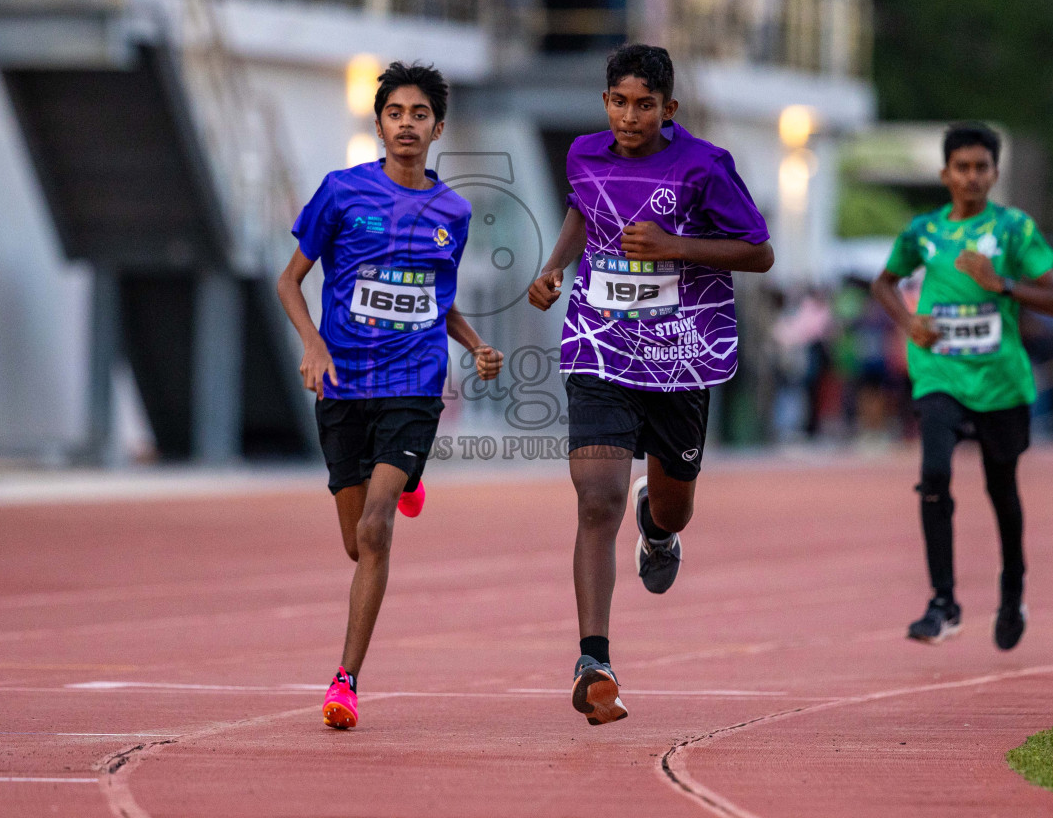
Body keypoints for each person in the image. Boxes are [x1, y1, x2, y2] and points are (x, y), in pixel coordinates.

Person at [527, 44, 773, 724]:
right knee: (596, 499)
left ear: (668, 109)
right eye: (618, 102)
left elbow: (759, 250)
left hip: (682, 358)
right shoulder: (584, 154)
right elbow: (585, 209)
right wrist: (554, 268)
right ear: (604, 103)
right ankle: (593, 660)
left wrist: (676, 247)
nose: (629, 116)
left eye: (644, 105)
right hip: (600, 347)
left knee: (672, 506)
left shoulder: (704, 166)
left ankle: (658, 533)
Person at [275, 62, 503, 730]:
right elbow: (290, 281)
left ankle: (344, 681)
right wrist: (313, 344)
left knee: (376, 531)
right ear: (379, 124)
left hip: (414, 382)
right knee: (355, 542)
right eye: (396, 112)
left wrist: (473, 343)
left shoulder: (453, 212)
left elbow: (440, 299)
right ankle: (406, 482)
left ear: (438, 127)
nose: (407, 124)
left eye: (420, 113)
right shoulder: (341, 193)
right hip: (343, 383)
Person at [871, 123, 1053, 652]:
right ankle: (944, 604)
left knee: (1001, 490)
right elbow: (884, 283)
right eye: (962, 167)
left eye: (982, 168)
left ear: (995, 174)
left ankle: (1012, 592)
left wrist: (1000, 283)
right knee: (934, 471)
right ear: (945, 174)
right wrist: (909, 323)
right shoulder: (923, 233)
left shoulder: (1013, 231)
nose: (972, 177)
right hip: (939, 373)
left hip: (1001, 382)